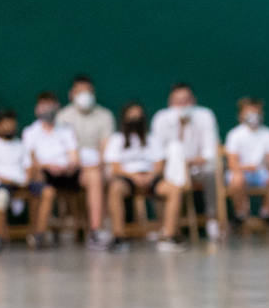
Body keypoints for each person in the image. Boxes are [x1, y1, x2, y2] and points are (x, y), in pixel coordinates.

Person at [104, 101, 183, 253]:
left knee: (174, 190)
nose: (135, 120)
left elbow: (159, 164)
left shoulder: (152, 139)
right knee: (115, 189)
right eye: (131, 116)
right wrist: (133, 177)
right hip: (127, 179)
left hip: (150, 178)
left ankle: (169, 236)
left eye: (138, 116)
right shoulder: (116, 140)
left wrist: (149, 177)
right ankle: (118, 237)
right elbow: (115, 167)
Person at [149, 82, 221, 240]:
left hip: (197, 168)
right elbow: (157, 151)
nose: (182, 105)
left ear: (193, 100)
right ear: (170, 102)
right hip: (169, 170)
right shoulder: (161, 118)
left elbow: (209, 152)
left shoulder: (205, 116)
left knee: (211, 172)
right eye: (178, 101)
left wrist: (187, 162)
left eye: (186, 100)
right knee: (155, 178)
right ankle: (166, 225)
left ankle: (212, 219)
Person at [56, 74, 115, 249]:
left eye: (88, 91)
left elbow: (107, 149)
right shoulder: (62, 116)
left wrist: (98, 164)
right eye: (80, 91)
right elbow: (63, 150)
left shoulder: (105, 116)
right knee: (91, 175)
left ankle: (96, 231)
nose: (84, 95)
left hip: (98, 167)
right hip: (71, 169)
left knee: (96, 176)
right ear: (71, 94)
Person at [0, 110, 49, 252]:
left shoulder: (21, 146)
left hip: (23, 183)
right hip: (2, 184)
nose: (9, 127)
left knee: (48, 192)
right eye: (5, 124)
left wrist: (26, 179)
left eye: (11, 124)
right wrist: (11, 180)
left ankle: (38, 235)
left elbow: (28, 168)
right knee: (0, 197)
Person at [21, 91, 80, 248]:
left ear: (57, 107)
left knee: (91, 176)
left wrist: (69, 166)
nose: (47, 109)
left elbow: (74, 157)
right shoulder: (30, 132)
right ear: (37, 109)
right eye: (43, 105)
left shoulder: (67, 130)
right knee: (43, 185)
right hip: (44, 173)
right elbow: (31, 161)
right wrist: (47, 166)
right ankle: (39, 234)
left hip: (66, 173)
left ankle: (93, 231)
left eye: (50, 105)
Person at [223, 97, 269, 226]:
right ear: (240, 115)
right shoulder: (234, 135)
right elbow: (232, 163)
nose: (253, 116)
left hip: (262, 173)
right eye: (249, 112)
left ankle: (266, 213)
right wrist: (245, 168)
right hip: (241, 173)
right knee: (237, 179)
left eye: (256, 112)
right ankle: (240, 214)